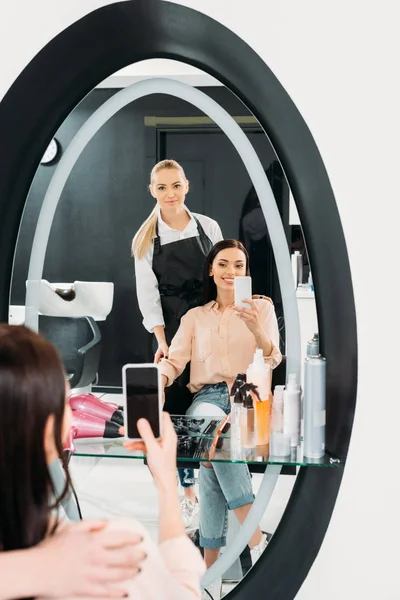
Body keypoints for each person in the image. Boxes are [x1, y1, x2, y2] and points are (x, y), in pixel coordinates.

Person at [0, 324, 205, 600]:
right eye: (66, 404)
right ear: (50, 429)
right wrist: (167, 481)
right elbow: (182, 594)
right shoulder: (107, 556)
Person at [158, 239, 282, 600]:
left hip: (250, 392)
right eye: (224, 264)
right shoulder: (195, 318)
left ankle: (209, 569)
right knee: (215, 438)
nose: (231, 272)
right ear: (211, 269)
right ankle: (256, 541)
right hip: (210, 396)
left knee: (214, 459)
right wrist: (159, 380)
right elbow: (175, 360)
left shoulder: (261, 308)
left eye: (239, 266)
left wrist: (256, 326)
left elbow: (273, 358)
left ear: (247, 272)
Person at [132, 159, 223, 529]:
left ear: (187, 186)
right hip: (170, 330)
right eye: (161, 187)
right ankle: (185, 494)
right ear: (151, 190)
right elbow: (147, 294)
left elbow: (224, 275)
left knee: (208, 405)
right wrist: (161, 340)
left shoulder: (209, 227)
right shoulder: (144, 238)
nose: (170, 194)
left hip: (207, 323)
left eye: (176, 186)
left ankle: (213, 491)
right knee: (173, 411)